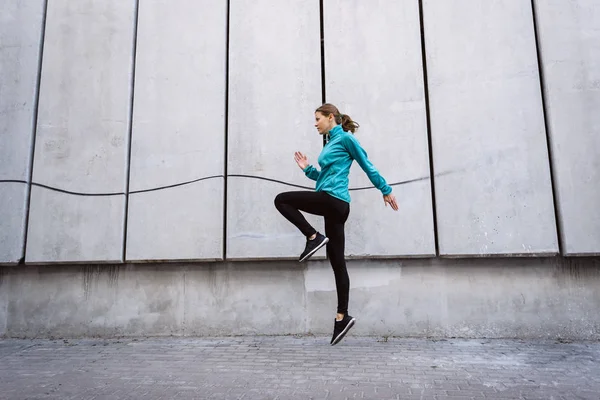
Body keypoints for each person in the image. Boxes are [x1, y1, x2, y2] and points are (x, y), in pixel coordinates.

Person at [274, 103, 398, 346]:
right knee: (337, 261)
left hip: (334, 201)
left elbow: (366, 164)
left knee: (281, 200)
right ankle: (342, 317)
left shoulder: (346, 139)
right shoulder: (331, 142)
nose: (315, 123)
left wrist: (385, 189)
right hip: (333, 203)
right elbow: (325, 178)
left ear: (331, 117)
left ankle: (312, 237)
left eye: (318, 118)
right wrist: (308, 169)